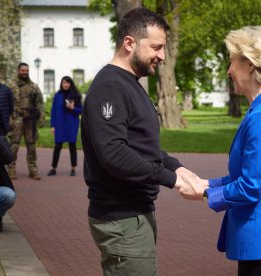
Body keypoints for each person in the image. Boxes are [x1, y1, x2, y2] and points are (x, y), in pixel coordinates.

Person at [81, 7, 194, 276]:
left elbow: (141, 144)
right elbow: (114, 154)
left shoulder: (131, 83)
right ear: (129, 43)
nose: (162, 56)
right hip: (122, 218)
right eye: (156, 47)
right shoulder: (111, 87)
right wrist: (171, 180)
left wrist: (176, 167)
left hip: (135, 215)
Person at [184, 26, 261, 276]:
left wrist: (206, 193)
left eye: (232, 61)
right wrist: (208, 183)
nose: (228, 71)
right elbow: (250, 176)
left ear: (250, 64)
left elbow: (251, 186)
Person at [7, 62, 44, 180]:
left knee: (31, 146)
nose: (25, 72)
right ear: (18, 71)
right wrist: (7, 119)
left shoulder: (33, 86)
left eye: (27, 71)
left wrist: (41, 118)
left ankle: (33, 170)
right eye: (23, 70)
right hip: (16, 119)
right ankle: (11, 169)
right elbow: (5, 103)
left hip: (31, 121)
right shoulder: (10, 85)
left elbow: (40, 103)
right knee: (14, 146)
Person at [47, 76, 82, 177]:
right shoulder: (57, 95)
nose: (65, 84)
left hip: (72, 124)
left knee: (72, 146)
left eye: (67, 83)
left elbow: (81, 110)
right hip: (60, 124)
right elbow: (53, 111)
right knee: (57, 146)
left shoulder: (76, 95)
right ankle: (53, 168)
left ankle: (73, 168)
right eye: (64, 83)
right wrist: (53, 125)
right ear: (61, 84)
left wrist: (73, 108)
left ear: (70, 84)